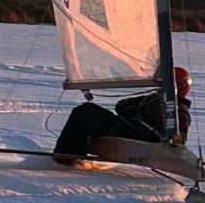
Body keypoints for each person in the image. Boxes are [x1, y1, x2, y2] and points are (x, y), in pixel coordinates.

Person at [53, 66, 193, 162]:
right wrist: (132, 111)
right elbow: (121, 105)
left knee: (86, 113)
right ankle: (72, 154)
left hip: (135, 134)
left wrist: (169, 135)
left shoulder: (180, 109)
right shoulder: (154, 98)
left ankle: (65, 159)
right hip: (126, 126)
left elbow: (180, 137)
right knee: (86, 111)